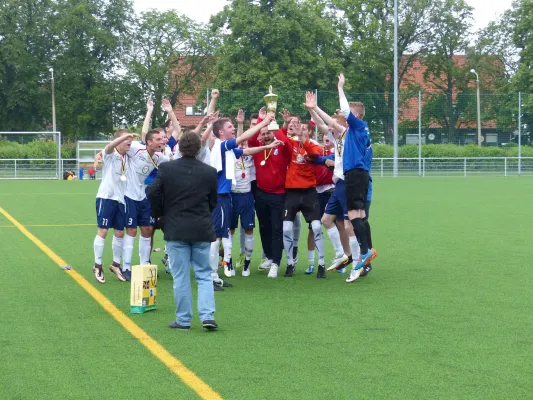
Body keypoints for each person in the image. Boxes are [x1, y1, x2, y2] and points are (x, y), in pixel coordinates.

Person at [147, 132, 219, 331]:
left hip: (176, 227)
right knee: (204, 274)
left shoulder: (167, 168)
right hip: (201, 227)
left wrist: (160, 214)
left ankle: (184, 320)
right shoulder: (209, 172)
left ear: (179, 148)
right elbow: (213, 201)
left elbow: (152, 191)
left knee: (181, 276)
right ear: (199, 149)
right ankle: (207, 316)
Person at [337, 73, 376, 283]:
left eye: (350, 114)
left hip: (354, 174)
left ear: (357, 115)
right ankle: (366, 250)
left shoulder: (358, 125)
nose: (346, 116)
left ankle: (364, 251)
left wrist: (340, 87)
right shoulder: (360, 130)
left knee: (352, 216)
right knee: (359, 214)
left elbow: (344, 110)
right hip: (361, 175)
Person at [122, 130, 170, 281]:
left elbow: (175, 165)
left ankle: (144, 265)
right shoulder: (136, 148)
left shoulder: (160, 157)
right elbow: (119, 147)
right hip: (128, 195)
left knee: (148, 229)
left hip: (143, 196)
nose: (161, 142)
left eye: (162, 139)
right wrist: (101, 154)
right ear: (149, 142)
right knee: (131, 230)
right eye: (158, 139)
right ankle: (126, 267)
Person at [92, 130, 136, 283]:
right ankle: (97, 265)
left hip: (121, 200)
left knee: (119, 233)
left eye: (130, 139)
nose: (129, 142)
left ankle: (116, 264)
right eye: (126, 139)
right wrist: (124, 136)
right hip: (106, 197)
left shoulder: (127, 156)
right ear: (119, 140)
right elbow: (109, 147)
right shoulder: (111, 154)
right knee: (103, 231)